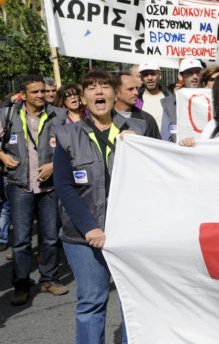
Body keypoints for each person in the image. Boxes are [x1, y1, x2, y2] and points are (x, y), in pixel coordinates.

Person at [54, 70, 146, 344]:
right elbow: (64, 186)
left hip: (128, 232)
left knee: (133, 302)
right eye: (91, 88)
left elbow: (155, 176)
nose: (98, 92)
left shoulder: (138, 131)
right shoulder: (67, 135)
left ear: (114, 94)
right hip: (83, 237)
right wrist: (90, 227)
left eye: (104, 86)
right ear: (83, 98)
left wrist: (140, 148)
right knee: (92, 301)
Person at [0, 74, 69, 305]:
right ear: (24, 94)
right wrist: (2, 156)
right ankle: (21, 284)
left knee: (49, 238)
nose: (41, 95)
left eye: (43, 91)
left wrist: (54, 164)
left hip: (50, 187)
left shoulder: (58, 115)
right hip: (19, 185)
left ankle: (49, 279)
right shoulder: (8, 114)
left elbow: (71, 147)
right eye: (35, 92)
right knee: (21, 240)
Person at [160, 58, 203, 142]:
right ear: (180, 76)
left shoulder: (210, 99)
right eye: (190, 73)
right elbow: (165, 136)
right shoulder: (169, 103)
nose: (195, 76)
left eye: (197, 72)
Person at [114, 72, 161, 139]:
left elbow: (156, 146)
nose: (136, 93)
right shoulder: (105, 118)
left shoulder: (147, 119)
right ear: (116, 93)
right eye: (130, 89)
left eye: (136, 88)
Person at [139, 61, 169, 130]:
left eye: (153, 74)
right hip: (143, 140)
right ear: (141, 78)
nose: (150, 78)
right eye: (146, 75)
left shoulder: (169, 97)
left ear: (160, 76)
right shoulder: (137, 99)